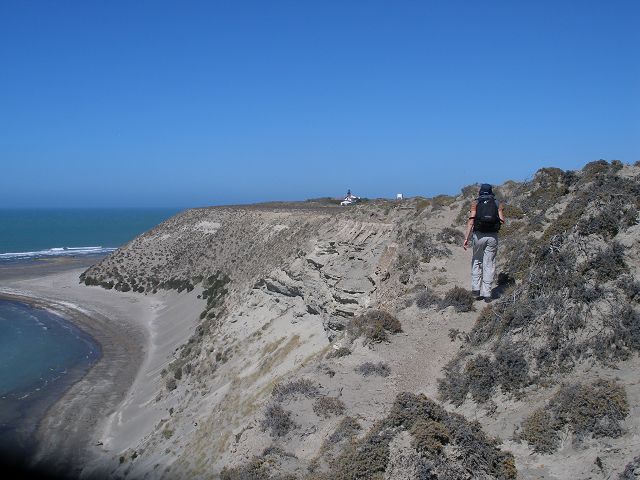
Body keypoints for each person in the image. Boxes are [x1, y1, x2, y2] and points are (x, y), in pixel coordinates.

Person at [462, 184, 505, 302]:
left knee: (477, 260)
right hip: (492, 236)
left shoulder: (475, 203)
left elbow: (471, 221)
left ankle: (476, 289)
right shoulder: (497, 203)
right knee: (489, 263)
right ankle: (487, 293)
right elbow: (502, 220)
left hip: (478, 236)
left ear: (480, 192)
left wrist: (466, 238)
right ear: (491, 192)